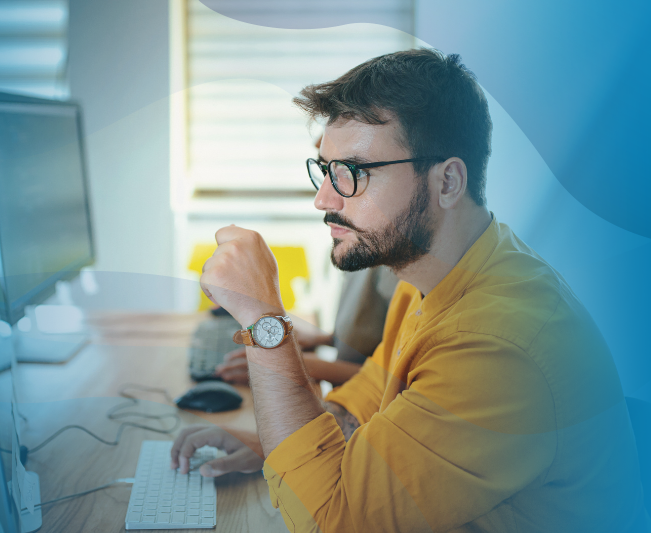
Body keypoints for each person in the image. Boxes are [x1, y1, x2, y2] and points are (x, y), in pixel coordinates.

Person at [171, 49, 649, 532]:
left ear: (447, 181)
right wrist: (272, 444)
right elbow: (365, 400)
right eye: (325, 169)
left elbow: (331, 523)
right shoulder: (432, 270)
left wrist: (264, 322)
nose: (324, 199)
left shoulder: (497, 346)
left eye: (353, 173)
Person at [214, 265, 398, 386]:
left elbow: (395, 382)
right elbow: (375, 327)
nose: (321, 204)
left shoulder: (404, 273)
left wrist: (290, 365)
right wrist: (323, 339)